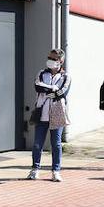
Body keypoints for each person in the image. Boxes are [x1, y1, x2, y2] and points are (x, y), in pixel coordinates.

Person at [30, 49, 71, 182]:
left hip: (57, 113)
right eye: (49, 57)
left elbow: (61, 93)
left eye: (53, 59)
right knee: (37, 144)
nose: (50, 60)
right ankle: (35, 169)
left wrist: (49, 90)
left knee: (56, 144)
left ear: (61, 61)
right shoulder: (41, 73)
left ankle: (56, 171)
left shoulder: (66, 77)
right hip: (41, 112)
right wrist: (51, 89)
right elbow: (37, 87)